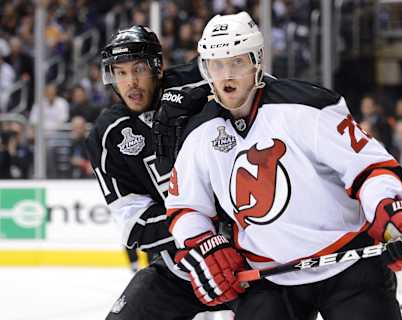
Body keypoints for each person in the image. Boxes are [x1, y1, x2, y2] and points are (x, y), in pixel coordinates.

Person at [165, 11, 402, 320]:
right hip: (267, 277)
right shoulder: (199, 132)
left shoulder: (307, 107)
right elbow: (185, 207)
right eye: (217, 64)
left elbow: (369, 168)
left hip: (348, 262)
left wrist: (393, 210)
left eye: (237, 62)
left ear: (256, 61)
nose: (226, 75)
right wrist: (203, 245)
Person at [85, 25, 297, 320]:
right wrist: (202, 237)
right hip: (183, 265)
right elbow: (134, 224)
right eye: (120, 73)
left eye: (138, 70)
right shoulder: (107, 137)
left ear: (158, 67)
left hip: (255, 257)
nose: (130, 82)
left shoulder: (202, 79)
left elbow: (268, 93)